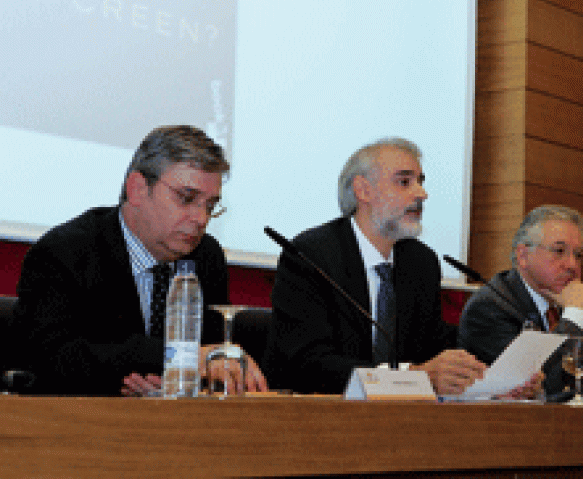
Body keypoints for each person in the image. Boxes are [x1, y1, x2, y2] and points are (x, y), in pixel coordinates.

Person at [13, 125, 268, 396]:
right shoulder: (66, 252)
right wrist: (177, 360)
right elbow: (54, 359)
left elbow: (213, 359)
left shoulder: (206, 257)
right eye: (187, 198)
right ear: (137, 189)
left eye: (210, 205)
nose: (201, 219)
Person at [262, 138, 486, 395]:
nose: (421, 194)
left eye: (420, 182)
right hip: (318, 417)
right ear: (363, 190)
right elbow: (309, 365)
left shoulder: (420, 262)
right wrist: (412, 377)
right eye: (404, 182)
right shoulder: (312, 255)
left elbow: (432, 352)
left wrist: (482, 379)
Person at [458, 205, 583, 402]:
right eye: (559, 251)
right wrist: (575, 314)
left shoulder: (559, 304)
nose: (572, 265)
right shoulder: (489, 308)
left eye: (578, 255)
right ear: (523, 256)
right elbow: (547, 387)